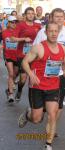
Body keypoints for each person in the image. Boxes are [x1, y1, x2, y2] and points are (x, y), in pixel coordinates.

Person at [18, 22, 65, 150]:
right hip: (37, 87)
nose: (54, 33)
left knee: (52, 114)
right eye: (51, 31)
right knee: (36, 119)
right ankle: (28, 114)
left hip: (53, 87)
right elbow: (25, 62)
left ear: (58, 33)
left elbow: (64, 63)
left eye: (56, 31)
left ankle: (48, 144)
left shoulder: (63, 49)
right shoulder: (39, 47)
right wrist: (31, 75)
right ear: (46, 32)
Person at [33, 8, 65, 138]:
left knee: (59, 106)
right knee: (37, 117)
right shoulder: (42, 32)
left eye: (61, 17)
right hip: (43, 76)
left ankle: (50, 131)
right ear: (51, 18)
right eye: (56, 16)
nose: (59, 19)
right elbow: (34, 53)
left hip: (60, 75)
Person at [15, 7, 41, 102]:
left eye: (32, 13)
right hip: (22, 55)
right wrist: (23, 39)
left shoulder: (38, 26)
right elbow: (13, 38)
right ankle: (19, 90)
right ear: (25, 15)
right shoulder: (20, 25)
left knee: (32, 77)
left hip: (34, 55)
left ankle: (33, 100)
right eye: (28, 13)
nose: (30, 15)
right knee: (23, 78)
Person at [2, 16, 24, 103]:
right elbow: (11, 39)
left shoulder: (18, 31)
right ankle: (10, 94)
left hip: (17, 56)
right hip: (8, 56)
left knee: (15, 74)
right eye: (12, 22)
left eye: (15, 22)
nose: (14, 24)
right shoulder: (4, 32)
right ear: (8, 23)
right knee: (11, 74)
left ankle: (8, 89)